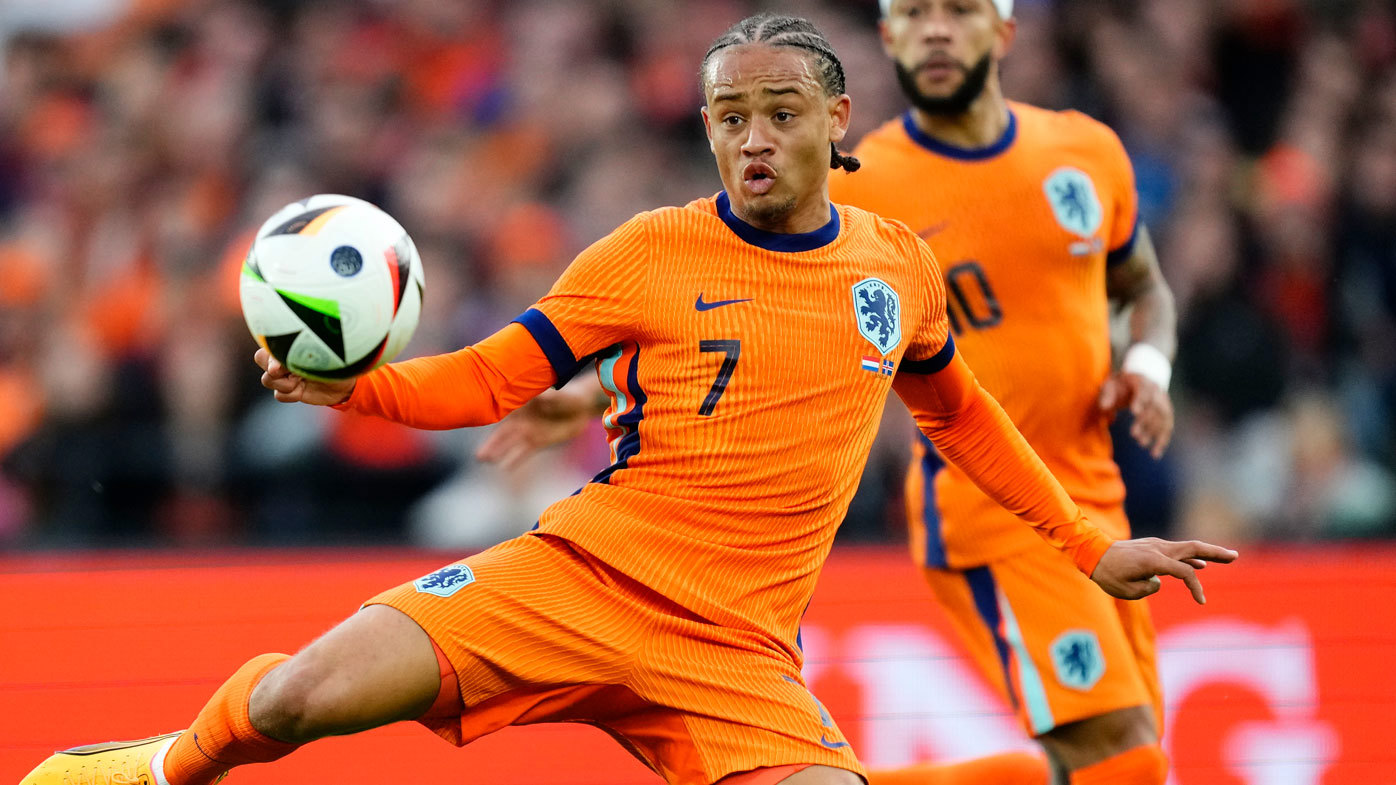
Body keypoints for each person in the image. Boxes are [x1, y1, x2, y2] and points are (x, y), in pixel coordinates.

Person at [19, 14, 1234, 785]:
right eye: (727, 117)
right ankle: (155, 767)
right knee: (293, 700)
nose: (751, 140)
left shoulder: (893, 266)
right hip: (578, 577)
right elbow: (494, 376)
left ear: (836, 120)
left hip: (736, 649)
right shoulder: (645, 252)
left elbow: (960, 414)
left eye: (778, 114)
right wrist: (364, 383)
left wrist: (1088, 544)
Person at [824, 1, 1182, 784]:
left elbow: (1146, 287)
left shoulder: (1085, 152)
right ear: (888, 39)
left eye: (959, 9)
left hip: (1098, 494)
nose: (936, 28)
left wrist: (1148, 367)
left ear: (1006, 32)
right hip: (988, 507)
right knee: (1119, 753)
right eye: (913, 13)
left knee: (1133, 761)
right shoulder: (860, 189)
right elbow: (764, 298)